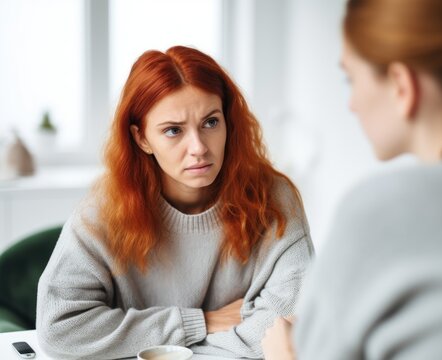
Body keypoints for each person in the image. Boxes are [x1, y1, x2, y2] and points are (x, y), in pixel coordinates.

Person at [262, 0, 442, 359]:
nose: (352, 103)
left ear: (401, 85)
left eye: (351, 79)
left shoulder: (381, 211)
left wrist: (284, 355)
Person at [36, 45, 314, 359]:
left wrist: (155, 345)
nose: (198, 148)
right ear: (141, 138)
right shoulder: (105, 208)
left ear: (228, 121)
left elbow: (292, 320)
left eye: (210, 122)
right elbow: (59, 329)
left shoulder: (273, 197)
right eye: (173, 131)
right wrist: (199, 323)